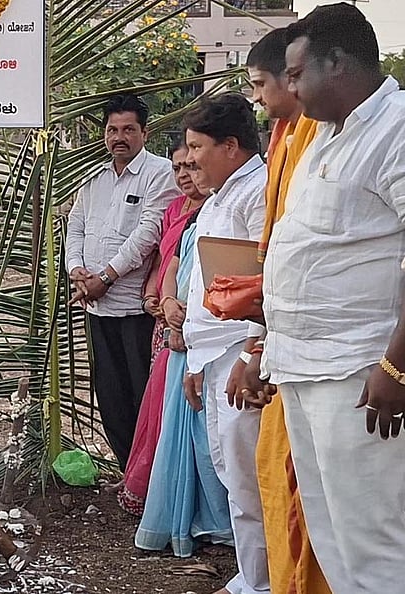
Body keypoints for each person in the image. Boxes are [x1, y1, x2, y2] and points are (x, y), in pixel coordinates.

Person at [260, 4, 405, 593]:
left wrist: (397, 365)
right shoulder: (321, 133)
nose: (289, 88)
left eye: (296, 75)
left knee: (373, 538)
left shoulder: (396, 128)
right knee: (329, 533)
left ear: (337, 63)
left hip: (360, 371)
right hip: (302, 366)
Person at [231, 28, 329, 594]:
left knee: (314, 498)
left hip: (326, 350)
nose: (261, 97)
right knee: (273, 475)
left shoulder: (325, 136)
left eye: (263, 84)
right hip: (281, 338)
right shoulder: (285, 137)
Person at [180, 93, 270, 594]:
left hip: (240, 355)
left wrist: (249, 353)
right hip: (212, 355)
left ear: (231, 146)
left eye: (197, 147)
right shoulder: (218, 198)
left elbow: (266, 285)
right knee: (231, 473)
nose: (189, 159)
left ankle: (265, 581)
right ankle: (252, 575)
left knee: (252, 478)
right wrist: (196, 359)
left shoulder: (256, 193)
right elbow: (204, 286)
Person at [65, 94, 179, 468]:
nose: (119, 137)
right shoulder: (93, 177)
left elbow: (148, 234)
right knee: (109, 395)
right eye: (112, 130)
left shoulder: (160, 173)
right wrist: (76, 270)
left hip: (136, 309)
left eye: (129, 129)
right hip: (95, 306)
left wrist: (107, 276)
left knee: (141, 395)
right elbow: (76, 225)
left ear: (144, 132)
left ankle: (148, 478)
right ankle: (126, 471)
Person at [135, 202, 234, 558]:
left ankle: (221, 522)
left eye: (193, 158)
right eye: (181, 166)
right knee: (184, 433)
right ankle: (190, 519)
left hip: (219, 340)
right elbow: (173, 266)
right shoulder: (197, 218)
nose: (188, 169)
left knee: (213, 440)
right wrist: (168, 302)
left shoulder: (236, 208)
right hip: (184, 334)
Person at [117, 143, 207, 515]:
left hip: (194, 321)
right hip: (165, 317)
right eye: (177, 168)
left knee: (188, 412)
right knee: (160, 406)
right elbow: (164, 258)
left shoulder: (213, 210)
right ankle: (153, 488)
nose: (184, 175)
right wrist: (156, 295)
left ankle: (185, 499)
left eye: (191, 166)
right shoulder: (174, 209)